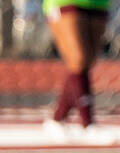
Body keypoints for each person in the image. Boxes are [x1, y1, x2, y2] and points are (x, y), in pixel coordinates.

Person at [43, 0, 114, 142]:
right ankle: (88, 124)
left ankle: (57, 119)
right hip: (65, 3)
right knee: (78, 58)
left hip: (98, 3)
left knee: (86, 62)